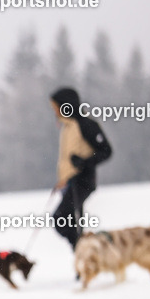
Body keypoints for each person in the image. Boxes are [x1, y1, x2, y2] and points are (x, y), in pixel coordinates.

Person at [49, 87, 112, 250]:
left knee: (61, 219)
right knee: (72, 223)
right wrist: (62, 179)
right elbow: (66, 159)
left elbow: (106, 151)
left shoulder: (86, 124)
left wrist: (84, 162)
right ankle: (83, 257)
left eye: (56, 106)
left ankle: (86, 251)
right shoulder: (66, 126)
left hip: (83, 181)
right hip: (70, 183)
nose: (54, 110)